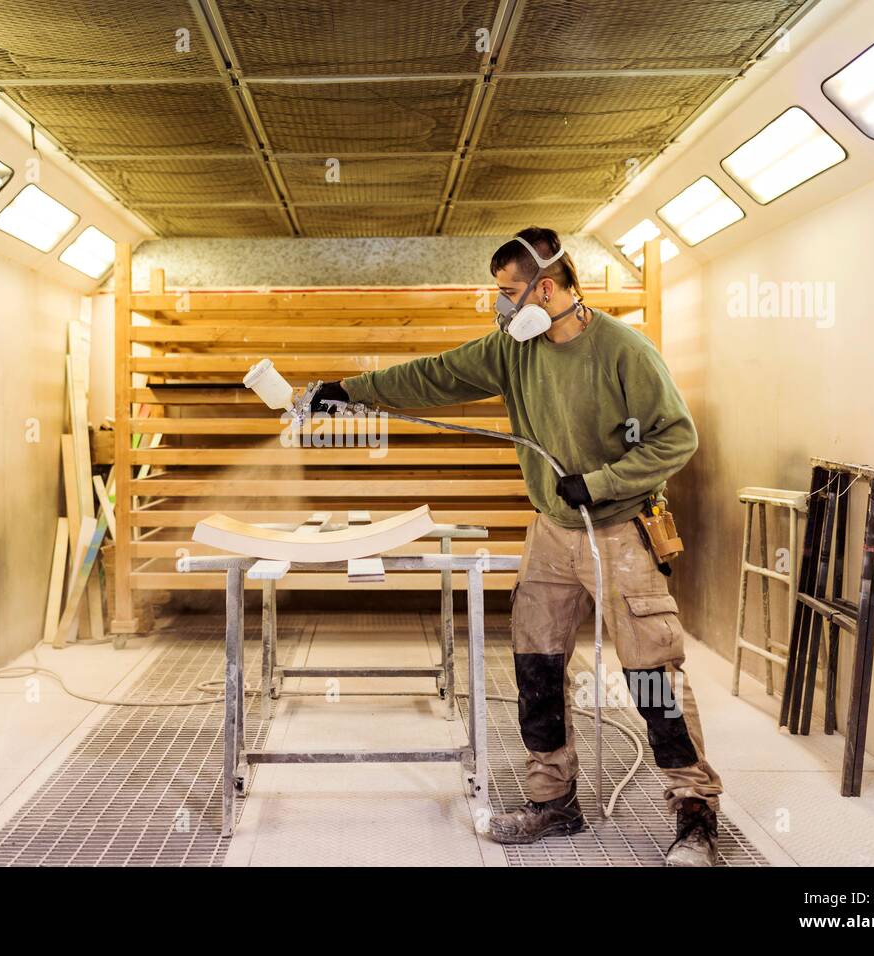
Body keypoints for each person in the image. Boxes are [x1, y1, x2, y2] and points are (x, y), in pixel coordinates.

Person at [310, 226, 723, 866]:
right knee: (536, 666)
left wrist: (603, 481)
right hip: (551, 532)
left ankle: (694, 813)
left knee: (651, 674)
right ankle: (553, 802)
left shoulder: (624, 352)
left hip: (617, 532)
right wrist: (349, 390)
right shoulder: (514, 350)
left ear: (547, 287)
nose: (500, 306)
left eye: (508, 292)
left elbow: (676, 438)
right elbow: (435, 376)